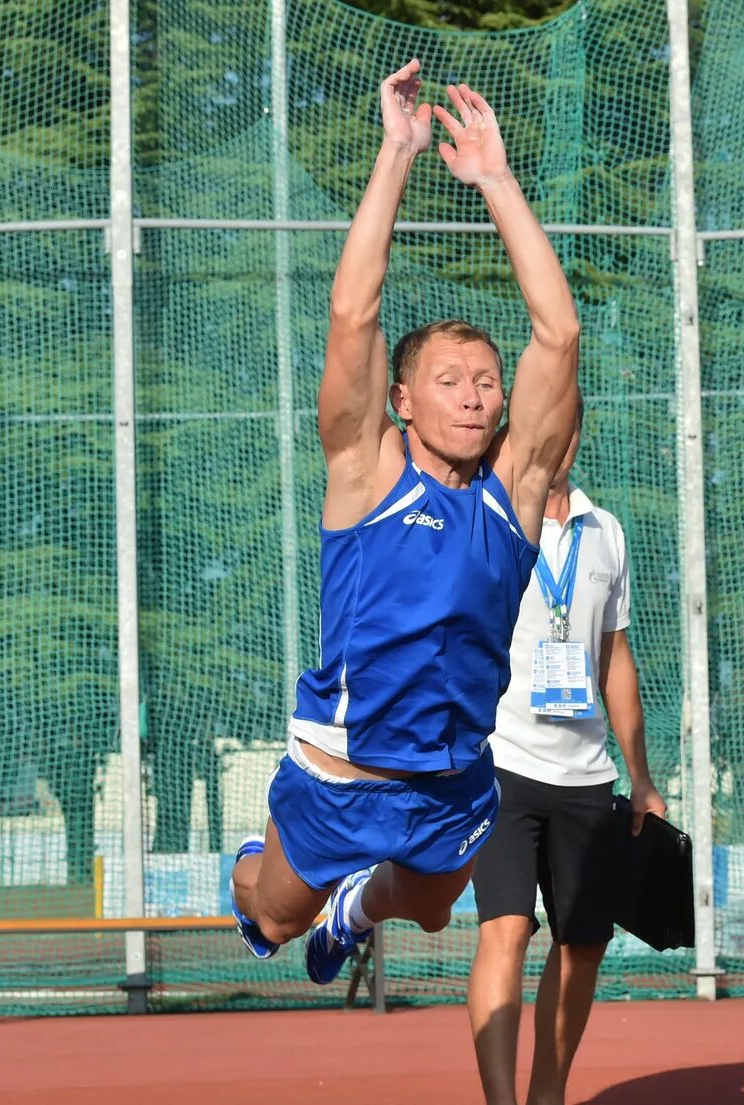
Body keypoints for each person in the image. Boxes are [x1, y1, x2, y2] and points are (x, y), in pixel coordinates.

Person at [225, 62, 582, 989]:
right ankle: (257, 870)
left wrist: (497, 182)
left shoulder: (516, 493)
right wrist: (396, 156)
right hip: (343, 765)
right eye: (450, 381)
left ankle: (358, 903)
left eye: (486, 382)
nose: (473, 395)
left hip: (451, 772)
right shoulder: (364, 469)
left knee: (424, 911)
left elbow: (559, 336)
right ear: (403, 400)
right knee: (270, 914)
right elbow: (355, 311)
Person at [465, 418, 667, 1105]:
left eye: (571, 426)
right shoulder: (484, 513)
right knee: (507, 930)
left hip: (587, 773)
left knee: (583, 942)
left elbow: (614, 656)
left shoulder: (605, 530)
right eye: (545, 422)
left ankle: (548, 1104)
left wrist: (641, 775)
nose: (560, 437)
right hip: (499, 763)